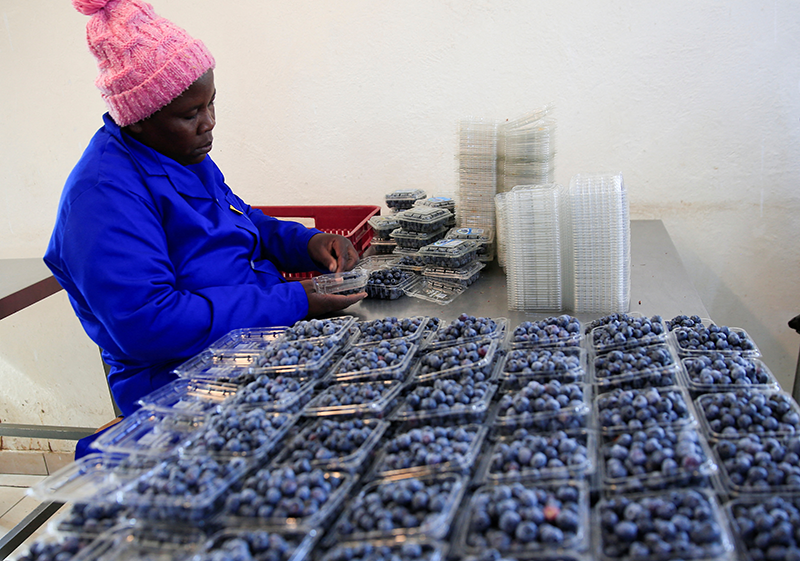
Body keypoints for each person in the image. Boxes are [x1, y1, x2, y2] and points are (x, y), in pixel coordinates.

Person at [44, 0, 366, 447]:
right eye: (190, 114)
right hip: (183, 389)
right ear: (138, 119)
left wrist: (305, 242)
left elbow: (239, 219)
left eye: (211, 103)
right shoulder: (102, 196)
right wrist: (292, 301)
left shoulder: (180, 155)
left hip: (259, 348)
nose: (209, 124)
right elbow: (149, 324)